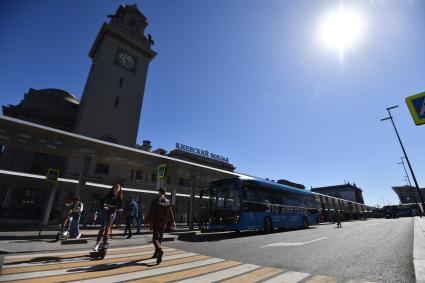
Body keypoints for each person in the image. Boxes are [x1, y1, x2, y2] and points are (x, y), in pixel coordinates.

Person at [147, 188, 175, 264]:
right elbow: (170, 212)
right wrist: (173, 221)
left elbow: (151, 211)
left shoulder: (156, 200)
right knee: (160, 238)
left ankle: (160, 250)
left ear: (159, 192)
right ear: (165, 193)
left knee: (154, 238)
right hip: (164, 222)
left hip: (156, 221)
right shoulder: (167, 201)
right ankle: (156, 254)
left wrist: (150, 222)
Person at [93, 183, 123, 251]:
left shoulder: (119, 197)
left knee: (108, 227)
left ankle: (105, 241)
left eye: (119, 188)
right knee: (103, 227)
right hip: (106, 212)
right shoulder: (109, 195)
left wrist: (120, 209)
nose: (117, 188)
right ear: (114, 188)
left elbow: (120, 206)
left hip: (113, 213)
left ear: (119, 189)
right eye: (116, 187)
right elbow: (102, 202)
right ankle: (97, 244)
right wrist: (104, 206)